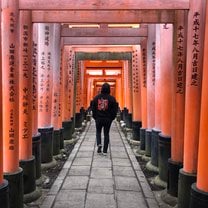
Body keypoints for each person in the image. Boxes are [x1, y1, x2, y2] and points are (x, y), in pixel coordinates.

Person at [91, 82, 118, 155]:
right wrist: (112, 118)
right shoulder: (112, 99)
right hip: (108, 119)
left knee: (98, 132)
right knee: (106, 133)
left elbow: (93, 108)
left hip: (99, 118)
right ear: (109, 89)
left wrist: (95, 117)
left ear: (101, 89)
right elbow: (115, 110)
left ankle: (99, 144)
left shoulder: (96, 98)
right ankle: (105, 150)